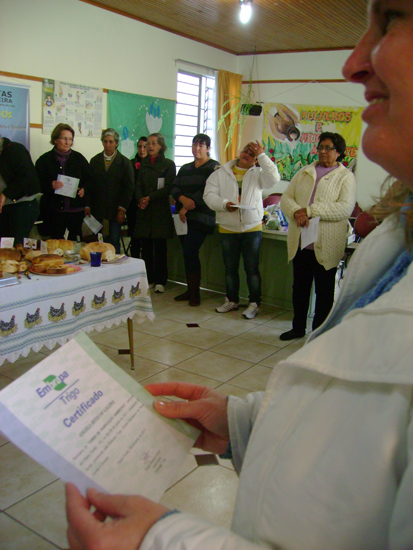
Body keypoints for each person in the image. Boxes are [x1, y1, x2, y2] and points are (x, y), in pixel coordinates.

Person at [65, 1, 413, 548]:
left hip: (254, 229)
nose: (353, 62)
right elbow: (352, 433)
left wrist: (160, 539)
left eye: (390, 20)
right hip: (235, 228)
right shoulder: (395, 240)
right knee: (247, 280)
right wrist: (244, 422)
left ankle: (253, 303)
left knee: (260, 277)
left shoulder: (269, 171)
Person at [279, 132, 356, 340]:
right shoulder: (304, 171)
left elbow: (345, 208)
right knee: (300, 289)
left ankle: (318, 334)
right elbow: (286, 198)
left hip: (327, 245)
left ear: (338, 152)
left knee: (324, 292)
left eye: (328, 148)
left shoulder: (345, 177)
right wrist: (296, 212)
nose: (323, 151)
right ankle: (297, 328)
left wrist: (309, 211)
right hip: (302, 242)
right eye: (321, 147)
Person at [203, 141, 280, 319]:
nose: (247, 155)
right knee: (230, 268)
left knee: (251, 269)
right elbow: (209, 195)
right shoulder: (220, 173)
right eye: (246, 151)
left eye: (252, 154)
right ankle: (231, 300)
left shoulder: (259, 174)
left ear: (256, 160)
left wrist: (262, 155)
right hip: (227, 227)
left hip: (252, 227)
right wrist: (224, 204)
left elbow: (274, 179)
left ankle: (254, 303)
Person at [170, 133, 219, 306]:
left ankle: (195, 293)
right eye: (194, 144)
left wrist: (187, 205)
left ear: (208, 148)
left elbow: (207, 191)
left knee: (190, 251)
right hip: (183, 218)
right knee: (186, 253)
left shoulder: (214, 167)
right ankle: (190, 290)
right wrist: (182, 199)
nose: (197, 148)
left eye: (201, 145)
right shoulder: (185, 168)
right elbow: (174, 187)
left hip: (202, 217)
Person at [133, 133, 175, 292]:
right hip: (145, 211)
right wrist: (140, 199)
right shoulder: (143, 164)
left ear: (161, 146)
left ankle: (160, 281)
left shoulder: (168, 164)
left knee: (160, 248)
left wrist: (150, 197)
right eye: (148, 144)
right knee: (146, 247)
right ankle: (149, 278)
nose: (149, 146)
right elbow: (138, 185)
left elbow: (168, 188)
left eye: (153, 143)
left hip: (160, 212)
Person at [35, 123, 92, 240]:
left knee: (76, 243)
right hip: (54, 211)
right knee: (55, 243)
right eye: (64, 138)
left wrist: (84, 189)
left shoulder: (79, 158)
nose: (67, 142)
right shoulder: (44, 160)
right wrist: (50, 185)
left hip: (76, 211)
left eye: (70, 139)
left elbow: (90, 180)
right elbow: (36, 183)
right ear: (55, 139)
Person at [87, 129, 134, 254]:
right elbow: (90, 185)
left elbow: (129, 188)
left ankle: (114, 264)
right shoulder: (95, 161)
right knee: (99, 241)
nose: (107, 145)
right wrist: (88, 205)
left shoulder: (125, 162)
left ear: (116, 143)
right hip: (98, 210)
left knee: (114, 241)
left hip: (115, 211)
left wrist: (122, 209)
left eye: (111, 142)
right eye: (105, 141)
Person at [0, 137, 40, 244]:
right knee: (4, 246)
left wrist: (5, 194)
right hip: (4, 208)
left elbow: (26, 176)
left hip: (21, 206)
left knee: (17, 245)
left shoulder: (16, 150)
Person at [128, 136, 147, 258]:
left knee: (145, 240)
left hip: (147, 205)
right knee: (134, 238)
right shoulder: (131, 163)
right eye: (139, 146)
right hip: (133, 206)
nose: (142, 149)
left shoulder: (153, 164)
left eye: (145, 146)